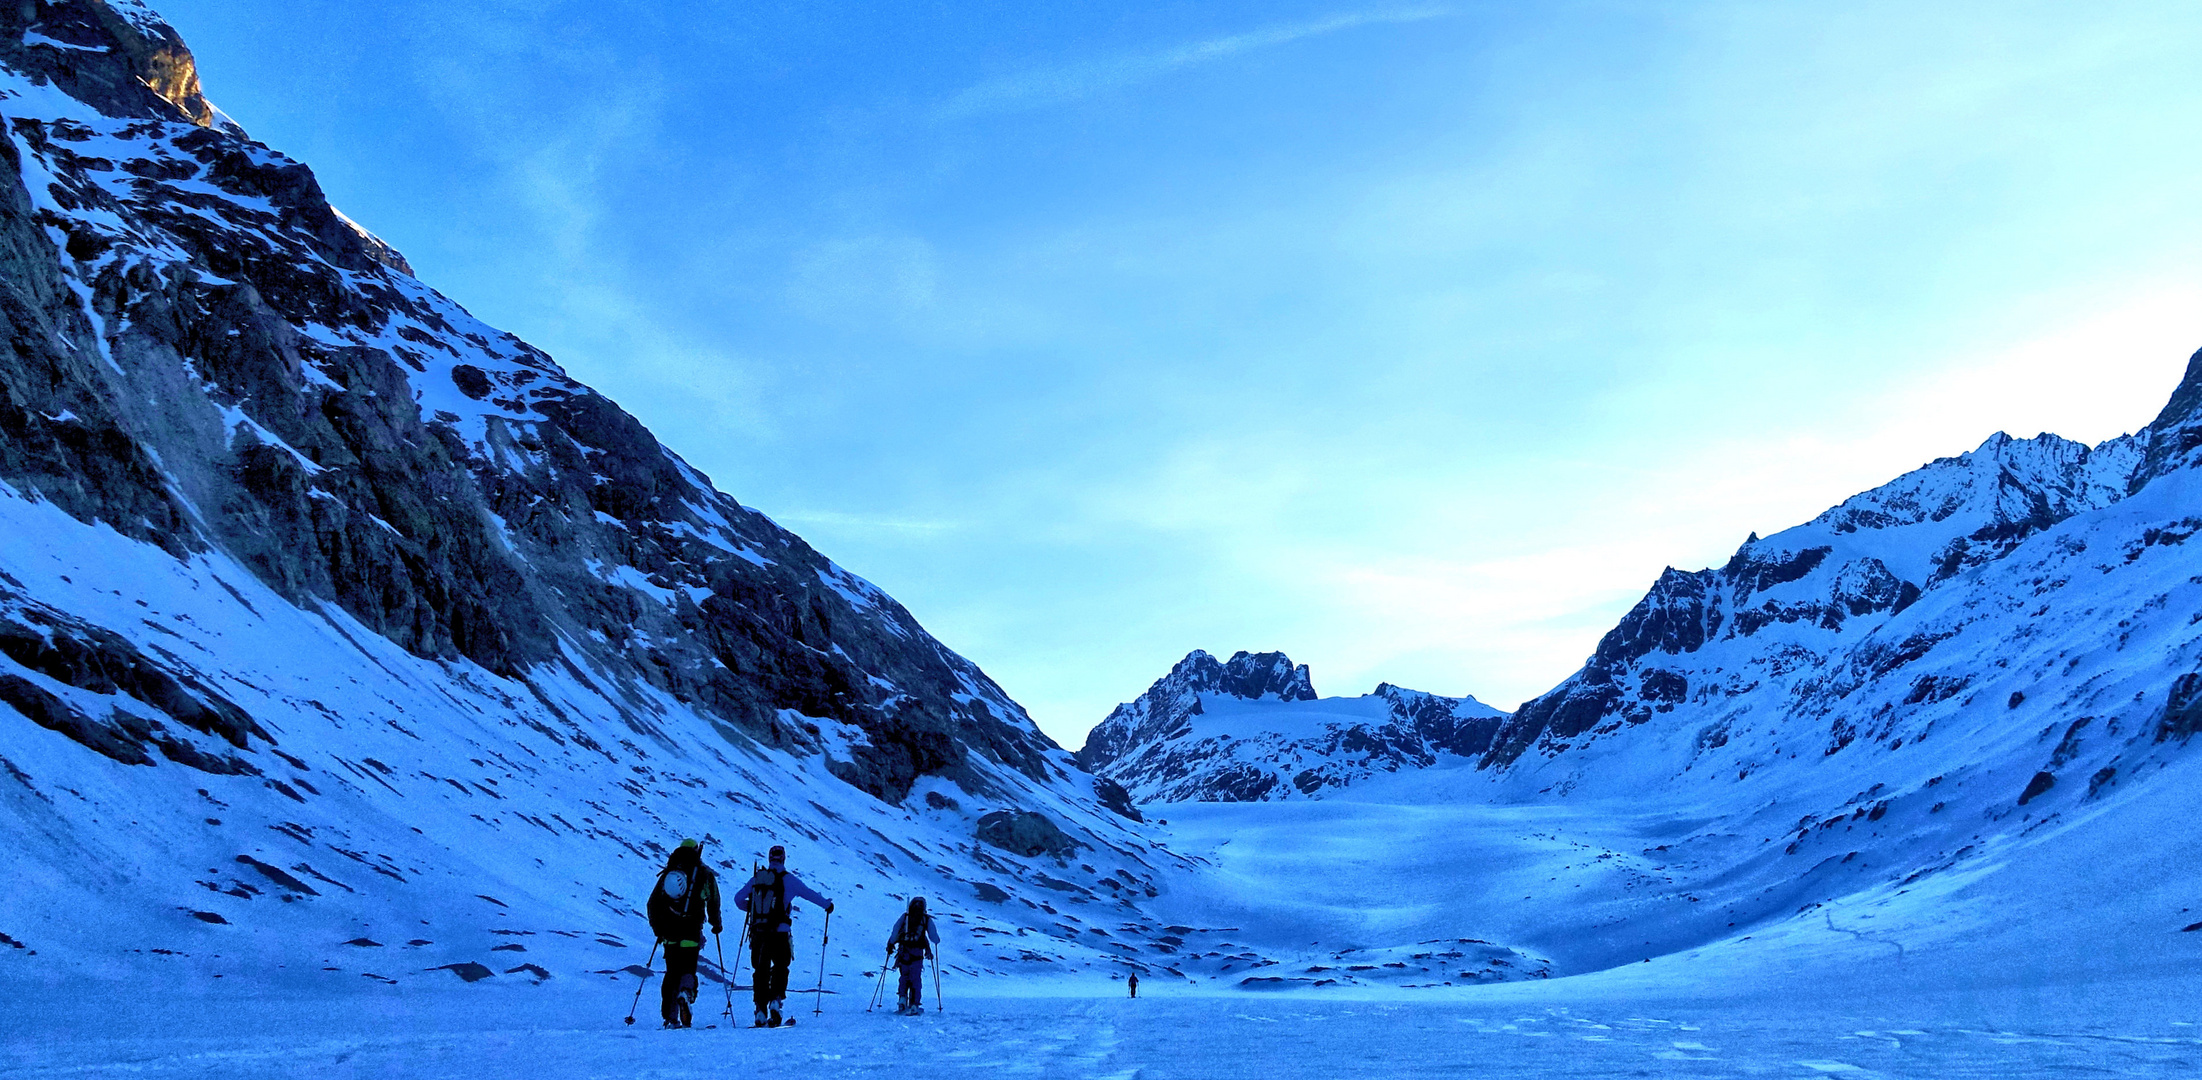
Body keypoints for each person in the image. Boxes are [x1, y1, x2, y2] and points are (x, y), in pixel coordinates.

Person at [733, 844, 833, 1027]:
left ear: (769, 858)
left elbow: (738, 899)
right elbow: (810, 894)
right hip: (780, 933)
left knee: (760, 971)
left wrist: (753, 909)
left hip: (758, 933)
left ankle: (760, 1009)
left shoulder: (757, 878)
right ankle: (776, 1001)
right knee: (780, 967)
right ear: (784, 858)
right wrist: (827, 905)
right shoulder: (790, 880)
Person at [644, 839, 721, 1029]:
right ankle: (686, 993)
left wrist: (658, 930)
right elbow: (713, 902)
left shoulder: (668, 874)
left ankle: (670, 1018)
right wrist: (716, 924)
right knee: (688, 968)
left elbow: (652, 903)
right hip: (691, 932)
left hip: (669, 933)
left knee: (671, 973)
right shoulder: (704, 874)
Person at [885, 895, 940, 1015]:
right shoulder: (925, 919)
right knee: (915, 979)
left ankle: (902, 999)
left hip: (904, 952)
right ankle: (914, 1004)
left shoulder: (905, 917)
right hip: (917, 954)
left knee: (904, 976)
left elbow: (895, 931)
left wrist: (891, 943)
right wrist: (936, 941)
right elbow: (933, 937)